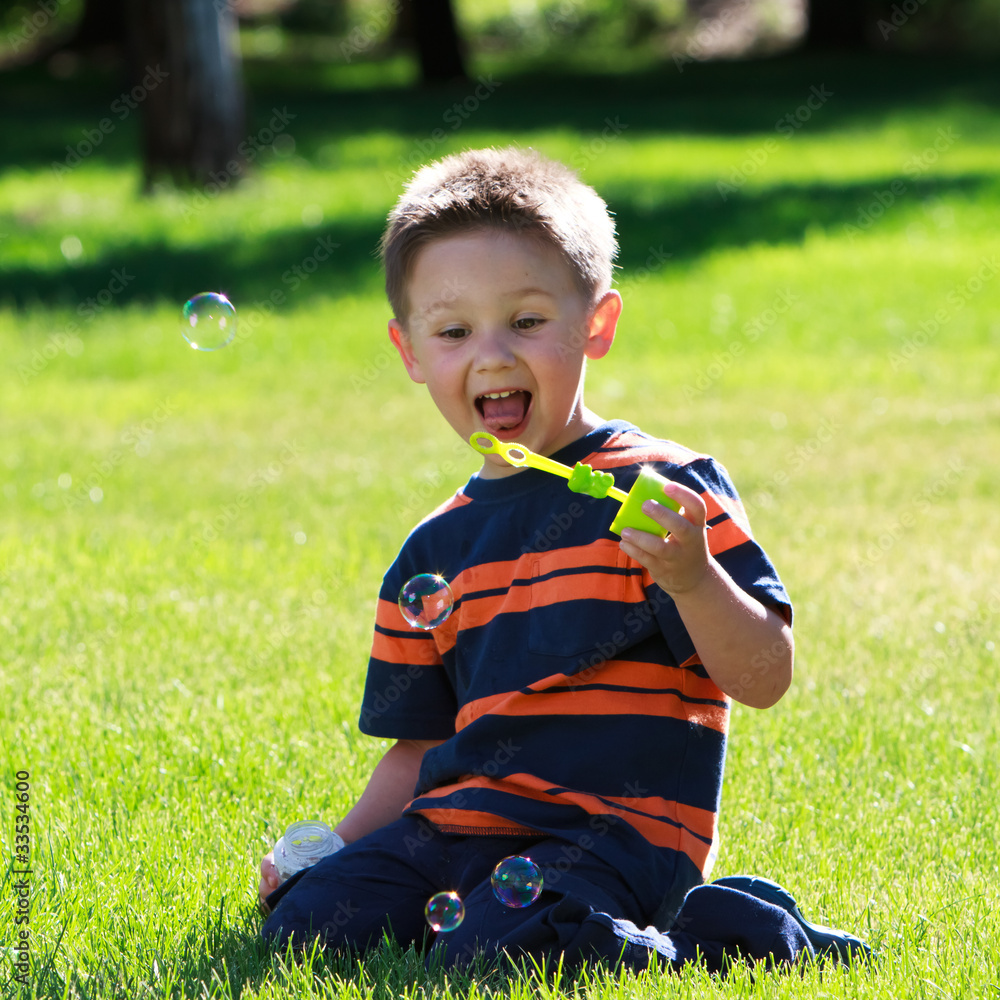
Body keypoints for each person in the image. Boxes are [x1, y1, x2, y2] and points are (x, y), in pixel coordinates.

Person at [257, 147, 869, 974]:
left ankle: (726, 930)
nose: (494, 355)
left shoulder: (660, 494)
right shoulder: (433, 548)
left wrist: (692, 575)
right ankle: (438, 911)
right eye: (454, 331)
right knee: (308, 926)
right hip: (449, 834)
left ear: (597, 325)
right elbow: (416, 749)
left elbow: (764, 675)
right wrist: (332, 848)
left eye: (529, 321)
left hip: (612, 840)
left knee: (503, 949)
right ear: (409, 352)